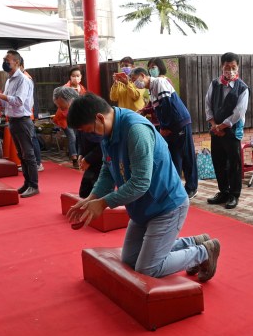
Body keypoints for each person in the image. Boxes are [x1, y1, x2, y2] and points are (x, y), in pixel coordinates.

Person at [65, 93, 220, 281]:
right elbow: (108, 169)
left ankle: (204, 252)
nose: (89, 136)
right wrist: (92, 198)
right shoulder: (107, 131)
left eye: (88, 130)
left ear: (99, 117)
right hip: (141, 207)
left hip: (166, 206)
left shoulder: (136, 131)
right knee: (130, 260)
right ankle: (194, 242)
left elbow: (140, 183)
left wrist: (104, 203)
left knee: (148, 269)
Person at [131, 66, 199, 198]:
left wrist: (164, 127)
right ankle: (175, 187)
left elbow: (167, 105)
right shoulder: (151, 89)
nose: (135, 83)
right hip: (170, 126)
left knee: (186, 155)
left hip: (179, 123)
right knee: (174, 156)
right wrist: (144, 111)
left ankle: (192, 187)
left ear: (142, 75)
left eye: (135, 80)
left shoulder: (159, 82)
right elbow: (156, 107)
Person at [0, 50, 39, 198]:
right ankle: (27, 183)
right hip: (13, 120)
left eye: (7, 60)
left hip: (23, 120)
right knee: (21, 154)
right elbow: (6, 101)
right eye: (4, 60)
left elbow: (18, 101)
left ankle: (34, 185)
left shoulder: (23, 80)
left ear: (16, 62)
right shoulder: (9, 80)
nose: (4, 62)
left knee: (28, 154)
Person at [205, 52, 249, 210]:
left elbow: (239, 112)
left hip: (232, 132)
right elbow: (208, 105)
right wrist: (213, 124)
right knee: (218, 162)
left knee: (233, 164)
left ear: (238, 67)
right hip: (215, 130)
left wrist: (222, 126)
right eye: (227, 67)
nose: (230, 70)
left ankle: (234, 194)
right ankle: (223, 191)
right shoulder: (215, 84)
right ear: (221, 67)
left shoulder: (242, 88)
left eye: (233, 67)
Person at [53, 86, 102, 194]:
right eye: (59, 107)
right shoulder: (76, 114)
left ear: (72, 101)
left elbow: (103, 143)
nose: (61, 110)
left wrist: (88, 159)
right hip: (89, 158)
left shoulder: (91, 113)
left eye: (63, 107)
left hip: (102, 160)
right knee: (84, 192)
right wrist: (81, 154)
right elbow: (80, 138)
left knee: (96, 193)